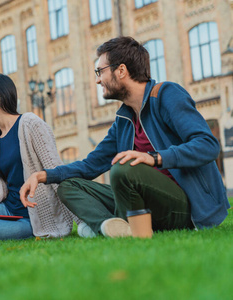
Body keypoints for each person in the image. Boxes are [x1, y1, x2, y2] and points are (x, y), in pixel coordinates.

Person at [20, 36, 230, 238]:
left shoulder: (166, 95)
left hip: (185, 207)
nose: (97, 80)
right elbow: (91, 165)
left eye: (100, 71)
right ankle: (109, 226)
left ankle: (118, 225)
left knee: (124, 167)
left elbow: (208, 145)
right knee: (69, 186)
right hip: (143, 204)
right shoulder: (124, 118)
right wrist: (42, 175)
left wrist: (155, 157)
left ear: (121, 70)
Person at [0, 74, 81, 241]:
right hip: (8, 209)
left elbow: (56, 171)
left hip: (32, 219)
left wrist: (84, 220)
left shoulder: (30, 124)